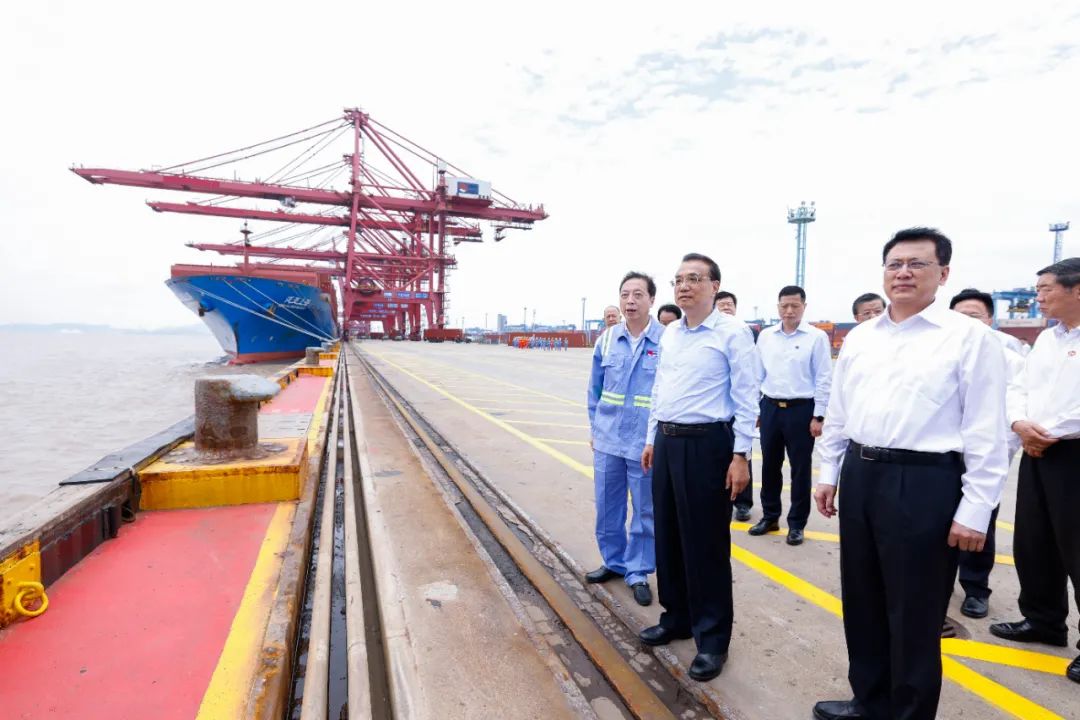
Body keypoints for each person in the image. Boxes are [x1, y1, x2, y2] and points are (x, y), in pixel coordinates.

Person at [812, 228, 1009, 720]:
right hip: (862, 474)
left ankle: (909, 713)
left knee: (915, 612)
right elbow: (839, 412)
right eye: (895, 264)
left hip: (924, 482)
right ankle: (869, 700)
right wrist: (828, 472)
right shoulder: (861, 337)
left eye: (917, 264)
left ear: (943, 273)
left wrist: (976, 509)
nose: (903, 273)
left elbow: (986, 429)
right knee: (863, 599)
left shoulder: (969, 338)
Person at [638, 253, 759, 682]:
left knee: (706, 545)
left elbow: (747, 395)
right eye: (678, 280)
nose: (684, 286)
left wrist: (741, 455)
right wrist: (651, 437)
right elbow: (660, 388)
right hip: (668, 442)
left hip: (708, 445)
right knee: (668, 536)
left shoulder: (733, 333)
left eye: (694, 279)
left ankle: (712, 640)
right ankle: (677, 618)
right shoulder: (671, 332)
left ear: (714, 285)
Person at [990, 257, 1080, 686]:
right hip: (1037, 450)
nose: (1038, 297)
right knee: (1034, 541)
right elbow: (1019, 387)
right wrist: (1019, 423)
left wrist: (1047, 432)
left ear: (1077, 290)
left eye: (1046, 289)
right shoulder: (1046, 339)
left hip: (1072, 451)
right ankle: (1043, 620)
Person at [586, 272, 664, 606]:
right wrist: (595, 429)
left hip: (644, 443)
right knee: (607, 506)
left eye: (638, 294)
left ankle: (638, 571)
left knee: (645, 510)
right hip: (608, 440)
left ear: (651, 300)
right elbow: (595, 389)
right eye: (625, 294)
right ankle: (614, 561)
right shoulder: (606, 340)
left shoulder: (666, 341)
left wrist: (657, 439)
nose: (630, 301)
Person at [948, 287, 1024, 619]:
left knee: (979, 525)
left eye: (974, 316)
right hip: (941, 459)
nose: (967, 323)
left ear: (990, 319)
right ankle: (938, 584)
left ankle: (976, 589)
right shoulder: (940, 354)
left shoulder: (1008, 358)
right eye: (960, 316)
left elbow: (1012, 410)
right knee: (935, 525)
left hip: (982, 458)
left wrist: (996, 458)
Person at [750, 285, 832, 546]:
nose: (789, 311)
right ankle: (770, 516)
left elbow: (823, 378)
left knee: (800, 469)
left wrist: (818, 415)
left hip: (801, 410)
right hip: (770, 408)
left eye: (794, 306)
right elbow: (757, 374)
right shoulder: (766, 336)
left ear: (804, 307)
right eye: (784, 305)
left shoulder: (816, 337)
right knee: (769, 466)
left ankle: (796, 524)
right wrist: (755, 409)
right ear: (778, 307)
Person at [714, 290, 758, 522]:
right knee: (720, 459)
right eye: (721, 304)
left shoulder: (745, 332)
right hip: (719, 411)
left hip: (739, 409)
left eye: (729, 304)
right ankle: (723, 498)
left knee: (742, 455)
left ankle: (742, 503)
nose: (725, 307)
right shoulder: (711, 334)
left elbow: (752, 374)